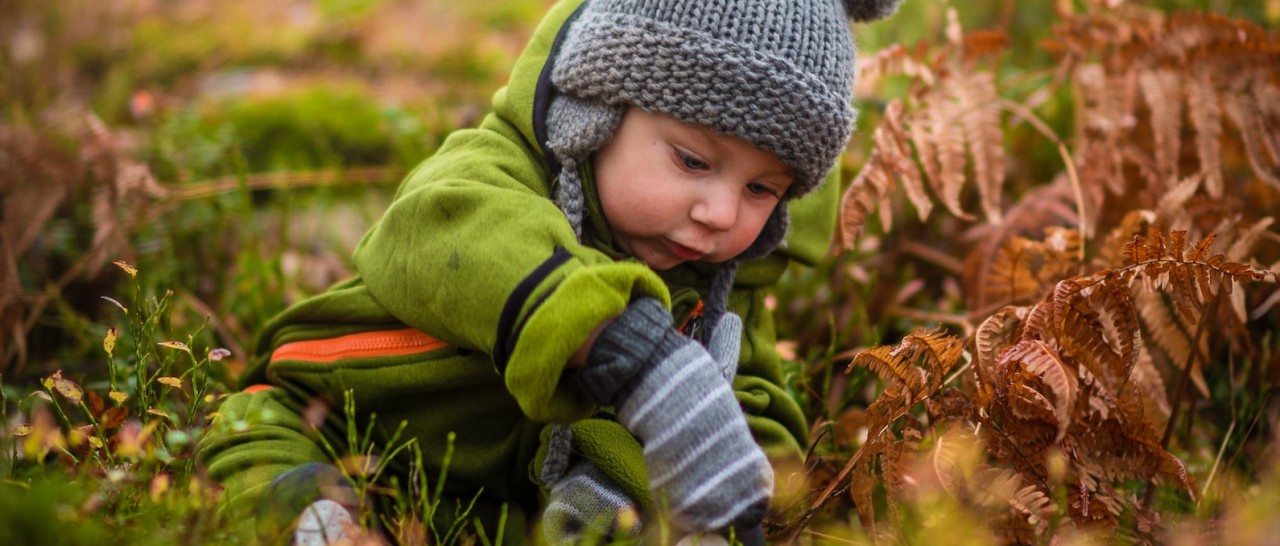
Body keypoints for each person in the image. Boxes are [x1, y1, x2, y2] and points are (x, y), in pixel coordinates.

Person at [196, 0, 900, 544]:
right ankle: (314, 518)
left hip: (497, 502)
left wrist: (725, 478)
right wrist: (629, 350)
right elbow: (443, 229)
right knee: (259, 439)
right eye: (692, 160)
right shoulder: (496, 171)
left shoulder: (723, 276)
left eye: (762, 189)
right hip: (341, 417)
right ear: (594, 113)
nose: (720, 212)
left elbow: (753, 400)